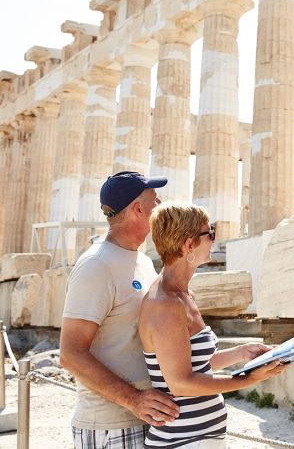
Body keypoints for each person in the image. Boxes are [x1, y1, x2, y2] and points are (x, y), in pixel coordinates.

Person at [139, 202, 288, 448]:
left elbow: (192, 363)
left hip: (199, 438)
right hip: (183, 441)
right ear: (188, 245)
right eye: (210, 233)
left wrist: (241, 353)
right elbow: (180, 383)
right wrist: (247, 380)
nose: (214, 240)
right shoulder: (165, 304)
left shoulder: (183, 295)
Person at [61, 171, 181, 449]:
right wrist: (133, 400)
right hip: (112, 425)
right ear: (138, 209)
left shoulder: (142, 261)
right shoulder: (96, 266)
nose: (160, 201)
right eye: (154, 198)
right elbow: (70, 354)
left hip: (147, 418)